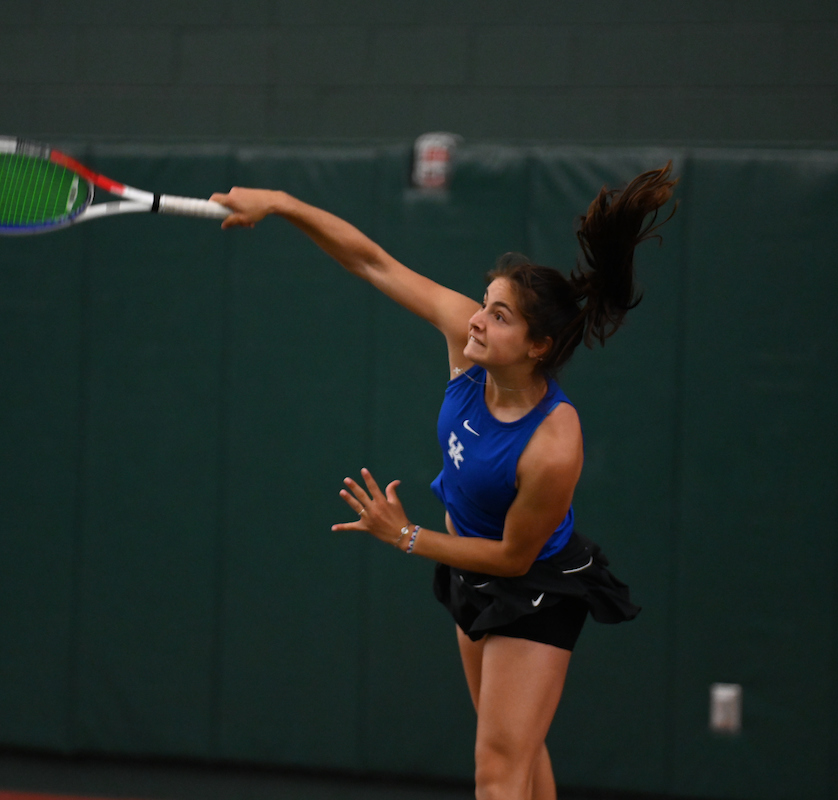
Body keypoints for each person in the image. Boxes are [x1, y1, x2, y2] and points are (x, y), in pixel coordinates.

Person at [210, 162, 677, 800]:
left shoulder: (553, 443)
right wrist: (284, 202)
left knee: (498, 770)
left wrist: (404, 535)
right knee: (514, 744)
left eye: (501, 315)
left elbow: (515, 558)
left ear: (538, 345)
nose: (479, 319)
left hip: (533, 587)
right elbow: (372, 262)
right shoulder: (468, 344)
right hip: (469, 572)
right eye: (485, 304)